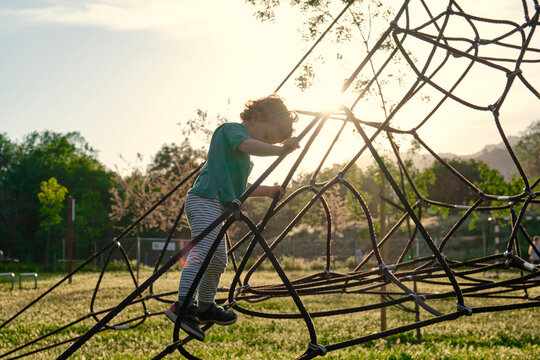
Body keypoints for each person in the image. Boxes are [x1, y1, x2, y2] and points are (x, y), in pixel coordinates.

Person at [165, 94, 300, 341]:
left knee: (218, 261)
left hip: (219, 205)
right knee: (203, 252)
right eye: (267, 135)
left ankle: (205, 307)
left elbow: (241, 187)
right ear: (256, 117)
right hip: (205, 198)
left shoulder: (242, 156)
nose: (265, 141)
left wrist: (268, 191)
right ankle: (182, 306)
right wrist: (280, 150)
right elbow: (249, 145)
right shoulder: (231, 131)